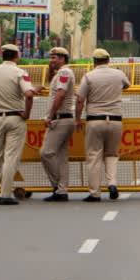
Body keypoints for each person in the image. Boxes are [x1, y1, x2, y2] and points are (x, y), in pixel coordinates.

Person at [0, 43, 36, 206]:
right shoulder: (20, 72)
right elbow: (28, 94)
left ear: (3, 55)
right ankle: (5, 194)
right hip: (15, 117)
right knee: (10, 157)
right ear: (16, 56)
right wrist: (26, 113)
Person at [75, 48, 131, 202]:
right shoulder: (118, 74)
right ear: (108, 60)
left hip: (95, 120)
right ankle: (112, 183)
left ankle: (95, 192)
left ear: (94, 61)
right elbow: (127, 85)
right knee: (112, 154)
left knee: (94, 156)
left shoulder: (89, 76)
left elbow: (80, 99)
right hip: (115, 120)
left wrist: (77, 119)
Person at [40, 47, 77, 202]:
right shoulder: (61, 73)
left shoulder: (64, 73)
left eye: (54, 57)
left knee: (46, 153)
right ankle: (62, 190)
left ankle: (57, 185)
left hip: (61, 118)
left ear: (63, 58)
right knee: (61, 157)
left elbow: (60, 94)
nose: (51, 60)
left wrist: (50, 115)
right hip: (64, 118)